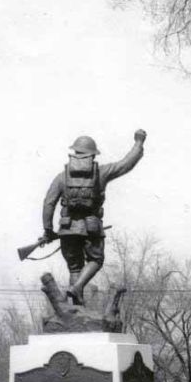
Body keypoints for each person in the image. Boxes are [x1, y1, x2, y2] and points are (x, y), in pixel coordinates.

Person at [41, 129, 147, 305]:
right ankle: (77, 289)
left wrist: (48, 230)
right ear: (92, 155)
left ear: (74, 153)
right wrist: (138, 142)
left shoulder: (61, 177)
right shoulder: (101, 173)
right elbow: (126, 164)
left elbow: (48, 204)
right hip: (92, 227)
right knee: (96, 260)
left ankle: (75, 305)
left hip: (67, 229)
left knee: (75, 267)